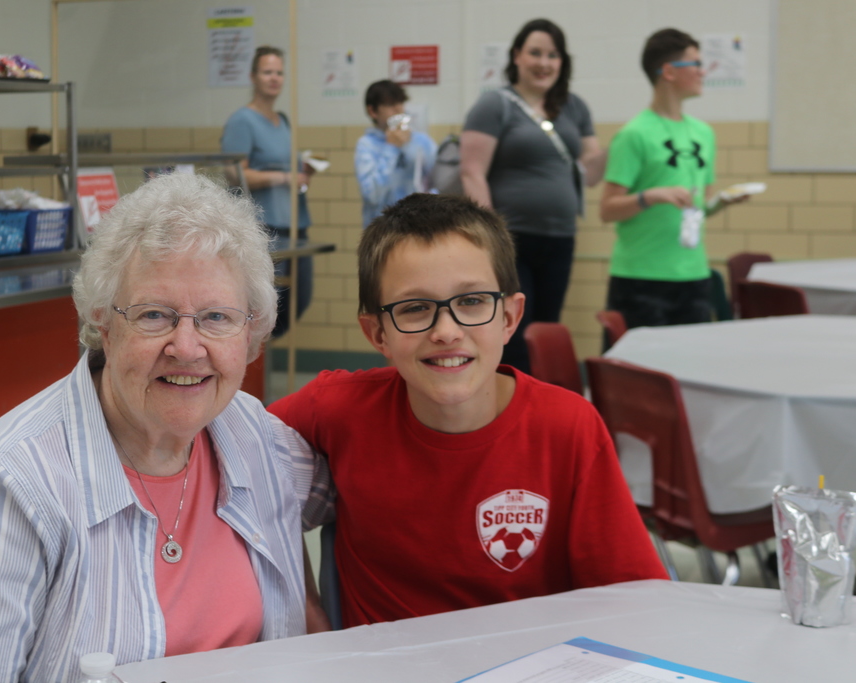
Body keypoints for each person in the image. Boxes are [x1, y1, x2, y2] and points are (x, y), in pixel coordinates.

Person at [0, 172, 332, 682]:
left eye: (217, 317)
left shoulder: (257, 436)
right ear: (102, 324)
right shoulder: (8, 484)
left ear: (252, 329)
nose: (188, 347)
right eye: (155, 315)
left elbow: (374, 495)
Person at [270, 193, 667, 629]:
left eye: (472, 301)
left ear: (509, 317)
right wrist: (305, 604)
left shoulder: (567, 427)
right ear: (377, 333)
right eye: (415, 308)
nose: (446, 331)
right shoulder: (336, 408)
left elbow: (633, 601)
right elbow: (223, 441)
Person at [460, 18, 606, 373]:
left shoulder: (573, 107)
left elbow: (590, 175)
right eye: (536, 53)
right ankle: (507, 409)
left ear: (562, 61)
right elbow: (472, 171)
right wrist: (490, 235)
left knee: (546, 328)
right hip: (513, 239)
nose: (544, 63)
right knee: (514, 332)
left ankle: (538, 411)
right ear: (517, 57)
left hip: (560, 237)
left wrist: (619, 149)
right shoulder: (495, 104)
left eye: (553, 55)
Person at [599, 28, 746, 330]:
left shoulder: (704, 134)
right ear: (668, 71)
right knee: (640, 374)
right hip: (641, 277)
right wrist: (649, 196)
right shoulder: (633, 134)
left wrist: (723, 202)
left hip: (693, 275)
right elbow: (608, 209)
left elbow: (697, 208)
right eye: (695, 63)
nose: (703, 72)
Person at [222, 46, 312, 338]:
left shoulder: (283, 121)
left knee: (300, 298)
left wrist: (301, 174)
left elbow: (290, 171)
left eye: (279, 72)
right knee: (267, 306)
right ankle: (254, 366)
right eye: (267, 72)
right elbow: (235, 173)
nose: (274, 78)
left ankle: (263, 359)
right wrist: (283, 177)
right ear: (253, 76)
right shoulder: (242, 121)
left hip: (295, 224)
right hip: (264, 227)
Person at [354, 79, 437, 228]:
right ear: (372, 111)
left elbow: (439, 182)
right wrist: (391, 148)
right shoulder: (366, 145)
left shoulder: (421, 141)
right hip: (381, 231)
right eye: (390, 104)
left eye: (400, 103)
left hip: (417, 227)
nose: (398, 109)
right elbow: (372, 195)